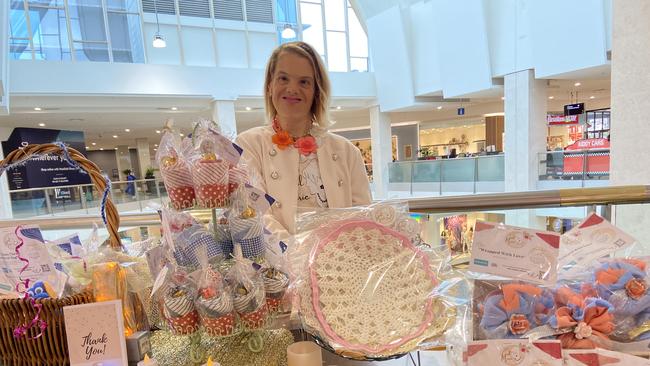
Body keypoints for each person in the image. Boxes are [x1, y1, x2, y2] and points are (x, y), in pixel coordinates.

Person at [236, 41, 372, 236]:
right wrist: (296, 255)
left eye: (304, 82)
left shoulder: (347, 151)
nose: (292, 89)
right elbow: (255, 213)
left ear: (317, 91)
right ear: (269, 86)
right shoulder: (248, 145)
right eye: (283, 78)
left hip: (339, 261)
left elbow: (362, 216)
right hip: (279, 263)